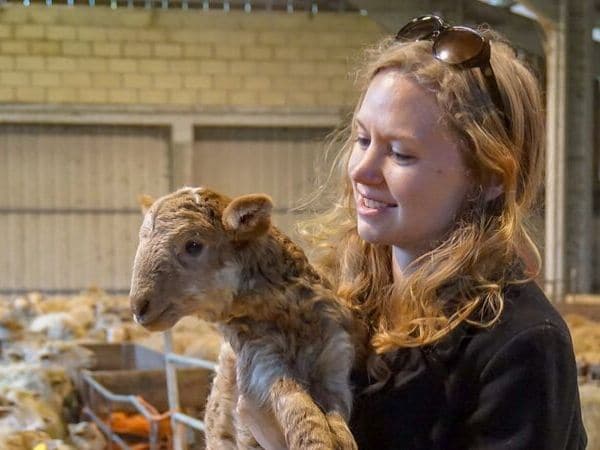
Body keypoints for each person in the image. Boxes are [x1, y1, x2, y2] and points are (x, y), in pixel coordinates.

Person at [237, 15, 587, 450]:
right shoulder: (343, 298)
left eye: (400, 154)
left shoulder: (519, 346)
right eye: (362, 139)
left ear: (488, 175)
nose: (362, 171)